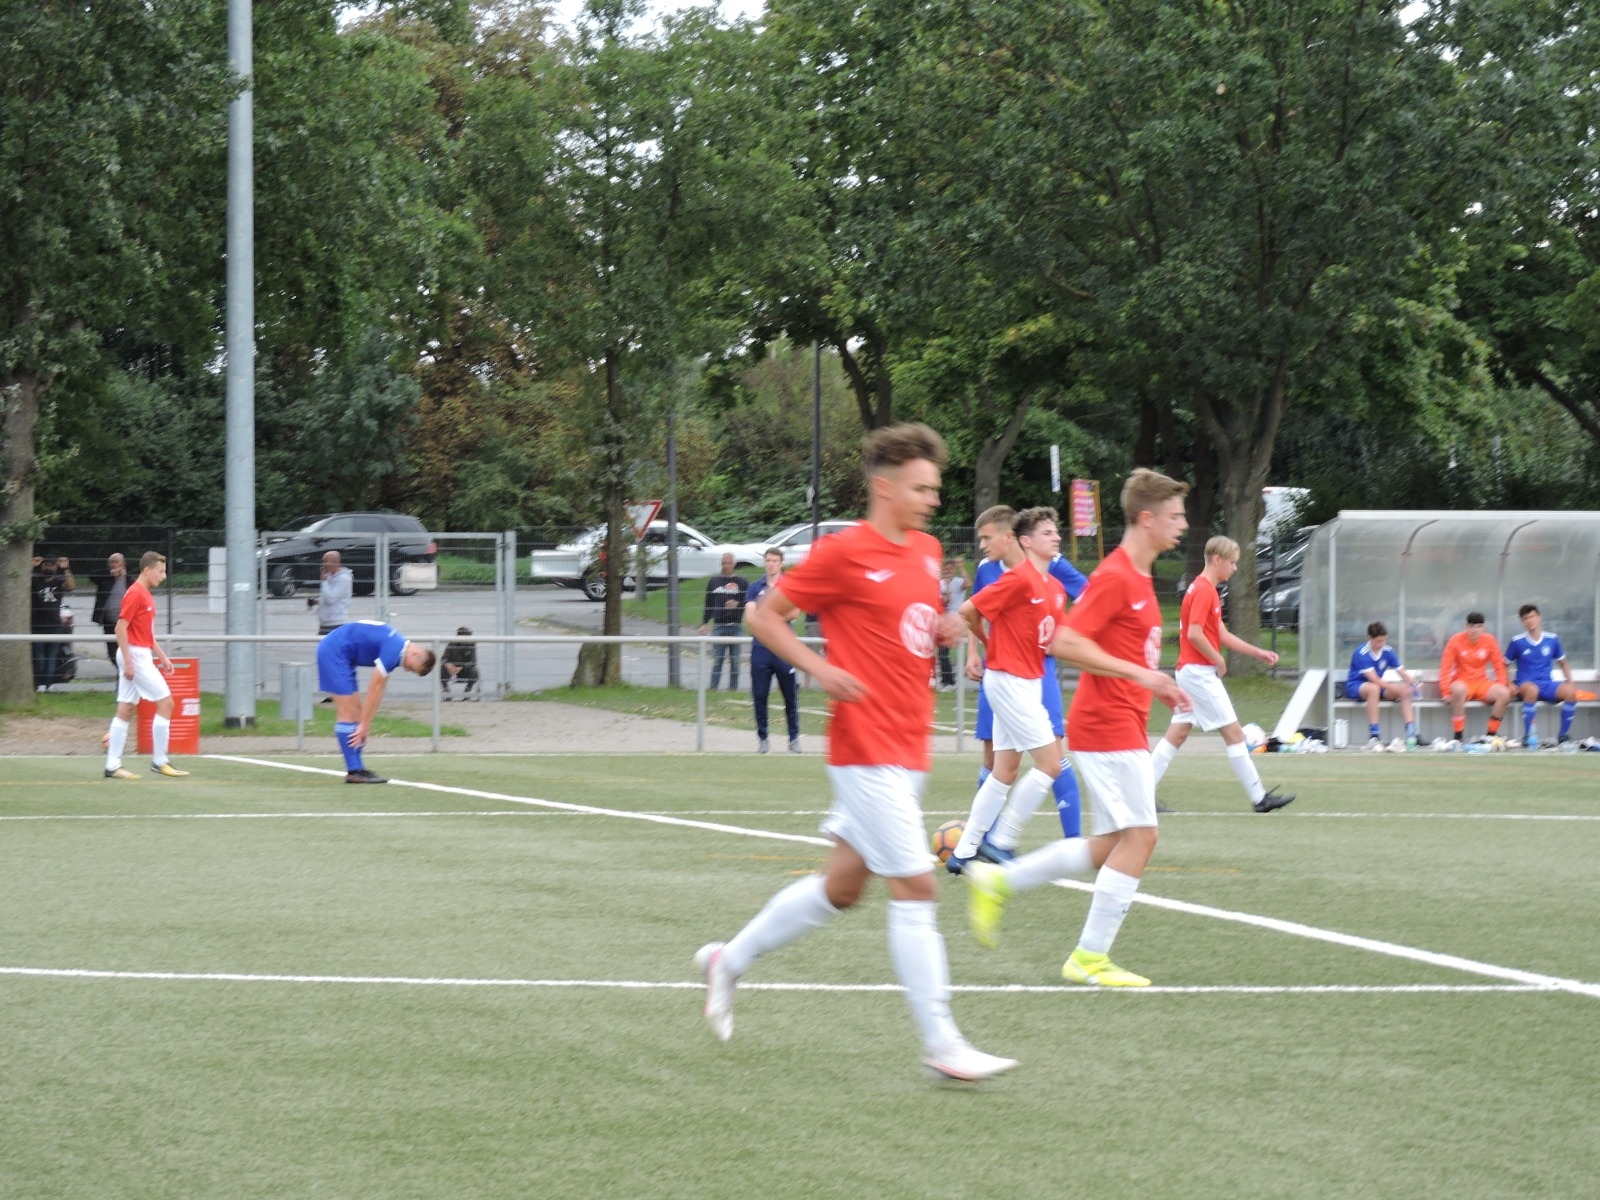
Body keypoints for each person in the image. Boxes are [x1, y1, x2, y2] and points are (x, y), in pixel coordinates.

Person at [697, 422, 1017, 1082]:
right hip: (864, 748)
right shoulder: (843, 553)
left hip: (909, 745)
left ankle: (728, 961)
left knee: (842, 888)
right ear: (884, 487)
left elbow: (907, 629)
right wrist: (820, 668)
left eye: (935, 488)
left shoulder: (927, 550)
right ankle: (943, 1044)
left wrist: (944, 628)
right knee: (917, 887)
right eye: (921, 488)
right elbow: (763, 616)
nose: (933, 499)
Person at [965, 468, 1194, 989]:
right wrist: (1144, 676)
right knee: (1142, 836)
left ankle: (999, 879)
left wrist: (1150, 682)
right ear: (1147, 518)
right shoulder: (1116, 576)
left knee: (1112, 843)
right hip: (1107, 726)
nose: (1183, 525)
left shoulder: (1138, 577)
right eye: (1176, 516)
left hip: (1121, 724)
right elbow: (1065, 642)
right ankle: (1089, 957)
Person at [946, 507, 1068, 872]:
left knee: (1005, 771)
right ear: (1025, 540)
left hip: (1026, 682)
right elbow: (969, 609)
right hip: (1009, 681)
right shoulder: (1019, 578)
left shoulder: (1054, 588)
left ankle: (964, 850)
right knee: (1050, 763)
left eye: (1056, 532)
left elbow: (1056, 640)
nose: (1056, 538)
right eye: (1047, 533)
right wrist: (987, 642)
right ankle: (1002, 841)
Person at [966, 505, 1088, 851]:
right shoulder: (987, 569)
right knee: (994, 759)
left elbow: (1089, 595)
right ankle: (984, 841)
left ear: (1010, 537)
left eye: (987, 537)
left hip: (1039, 670)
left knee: (1053, 753)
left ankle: (1072, 840)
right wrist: (976, 651)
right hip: (1000, 671)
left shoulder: (1052, 565)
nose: (983, 545)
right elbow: (977, 610)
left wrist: (1069, 638)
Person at [1150, 537, 1295, 813]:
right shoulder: (1204, 590)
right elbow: (1194, 633)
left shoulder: (1205, 589)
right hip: (1198, 673)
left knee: (1177, 734)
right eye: (1232, 562)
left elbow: (1221, 634)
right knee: (1234, 733)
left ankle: (1142, 794)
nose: (1235, 568)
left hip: (1191, 672)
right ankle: (1259, 798)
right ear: (1217, 560)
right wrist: (1217, 659)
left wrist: (1257, 653)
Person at [101, 551, 188, 779]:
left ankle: (112, 765)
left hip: (138, 654)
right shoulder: (136, 594)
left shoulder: (144, 594)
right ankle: (160, 761)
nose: (164, 576)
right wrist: (129, 662)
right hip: (135, 656)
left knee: (126, 708)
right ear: (147, 570)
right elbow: (120, 628)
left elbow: (146, 634)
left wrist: (162, 657)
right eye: (161, 571)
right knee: (167, 703)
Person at [316, 619, 436, 783]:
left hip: (342, 655)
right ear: (415, 654)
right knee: (348, 713)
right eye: (411, 667)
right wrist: (364, 725)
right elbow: (374, 686)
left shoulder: (398, 647)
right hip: (334, 652)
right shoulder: (394, 649)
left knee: (356, 714)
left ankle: (357, 768)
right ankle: (354, 770)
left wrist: (365, 723)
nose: (407, 670)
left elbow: (379, 690)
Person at [1505, 604, 1594, 747]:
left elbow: (1563, 663)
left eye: (1532, 616)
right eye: (1526, 618)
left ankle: (1563, 736)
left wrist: (1570, 682)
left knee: (1571, 692)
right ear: (1522, 622)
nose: (1529, 620)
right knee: (1532, 689)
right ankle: (1529, 735)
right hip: (1526, 684)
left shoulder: (1552, 639)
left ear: (1539, 617)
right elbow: (1504, 664)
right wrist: (1508, 683)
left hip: (1546, 684)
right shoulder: (1517, 641)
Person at [746, 548, 800, 753]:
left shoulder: (789, 586)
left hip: (784, 648)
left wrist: (768, 617)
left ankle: (794, 738)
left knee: (790, 695)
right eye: (768, 560)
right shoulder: (755, 588)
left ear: (781, 563)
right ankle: (763, 738)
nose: (771, 564)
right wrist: (776, 615)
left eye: (775, 560)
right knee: (760, 695)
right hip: (761, 648)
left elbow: (795, 612)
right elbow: (751, 617)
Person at [1439, 612, 1511, 742]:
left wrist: (1501, 684)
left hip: (1481, 683)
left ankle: (1490, 736)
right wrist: (1445, 691)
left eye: (1478, 626)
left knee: (1504, 693)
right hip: (1463, 682)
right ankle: (1458, 736)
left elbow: (1499, 666)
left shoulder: (1489, 640)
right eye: (1472, 626)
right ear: (1467, 627)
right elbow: (1445, 666)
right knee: (1458, 689)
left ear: (1483, 628)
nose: (1475, 630)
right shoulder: (1455, 640)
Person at [1346, 621, 1419, 748]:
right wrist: (1394, 687)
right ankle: (1374, 736)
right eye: (1379, 641)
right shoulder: (1361, 653)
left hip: (1378, 687)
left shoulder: (1388, 651)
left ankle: (1411, 734)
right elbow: (1374, 679)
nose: (1382, 644)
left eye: (1384, 640)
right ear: (1369, 638)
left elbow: (1402, 672)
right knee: (1373, 689)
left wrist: (1413, 683)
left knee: (1405, 690)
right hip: (1356, 686)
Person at [700, 553, 749, 692]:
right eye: (724, 563)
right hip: (719, 625)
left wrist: (737, 604)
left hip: (735, 626)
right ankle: (713, 688)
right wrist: (704, 622)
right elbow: (708, 603)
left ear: (734, 564)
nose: (726, 566)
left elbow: (749, 601)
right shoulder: (714, 581)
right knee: (718, 659)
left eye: (729, 563)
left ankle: (733, 689)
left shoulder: (742, 582)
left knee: (735, 660)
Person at [30, 553, 76, 690]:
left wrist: (66, 569)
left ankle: (48, 685)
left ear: (56, 567)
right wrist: (31, 566)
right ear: (42, 566)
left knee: (51, 656)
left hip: (55, 625)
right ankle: (39, 684)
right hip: (37, 625)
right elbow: (21, 583)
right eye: (46, 565)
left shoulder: (58, 581)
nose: (48, 567)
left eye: (52, 565)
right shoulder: (35, 580)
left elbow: (71, 586)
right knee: (39, 657)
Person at [89, 552, 131, 663]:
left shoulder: (129, 581)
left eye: (116, 562)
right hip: (109, 623)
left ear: (123, 563)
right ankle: (120, 669)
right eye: (111, 562)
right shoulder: (105, 578)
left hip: (126, 623)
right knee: (112, 653)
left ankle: (123, 670)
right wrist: (111, 573)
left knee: (126, 650)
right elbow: (92, 575)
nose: (113, 564)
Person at [936, 557, 967, 689]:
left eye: (950, 569)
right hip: (945, 620)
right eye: (946, 569)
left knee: (945, 653)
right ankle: (947, 681)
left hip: (957, 619)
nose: (948, 571)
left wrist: (961, 567)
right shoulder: (941, 584)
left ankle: (949, 682)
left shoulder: (959, 581)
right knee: (943, 653)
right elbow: (945, 601)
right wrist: (947, 585)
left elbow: (968, 584)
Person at [309, 550, 354, 636]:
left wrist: (324, 581)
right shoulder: (329, 576)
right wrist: (316, 601)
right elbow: (329, 596)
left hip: (336, 624)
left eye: (326, 562)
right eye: (323, 562)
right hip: (325, 623)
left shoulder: (343, 579)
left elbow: (330, 600)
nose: (323, 565)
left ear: (335, 563)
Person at [441, 626, 480, 700]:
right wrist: (447, 664)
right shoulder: (451, 644)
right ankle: (446, 691)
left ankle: (467, 691)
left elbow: (473, 661)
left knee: (474, 671)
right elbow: (443, 658)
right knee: (441, 668)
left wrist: (462, 667)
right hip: (452, 671)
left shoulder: (471, 645)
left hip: (465, 670)